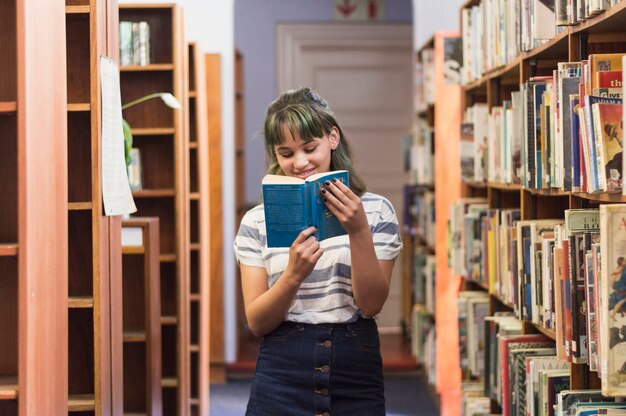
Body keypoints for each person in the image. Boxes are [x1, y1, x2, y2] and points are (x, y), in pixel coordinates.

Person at [233, 87, 402, 416]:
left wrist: (359, 232)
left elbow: (371, 304)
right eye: (285, 153)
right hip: (281, 369)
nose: (299, 163)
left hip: (355, 365)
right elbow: (256, 322)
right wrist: (293, 276)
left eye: (310, 148)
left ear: (333, 138)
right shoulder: (256, 221)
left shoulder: (377, 211)